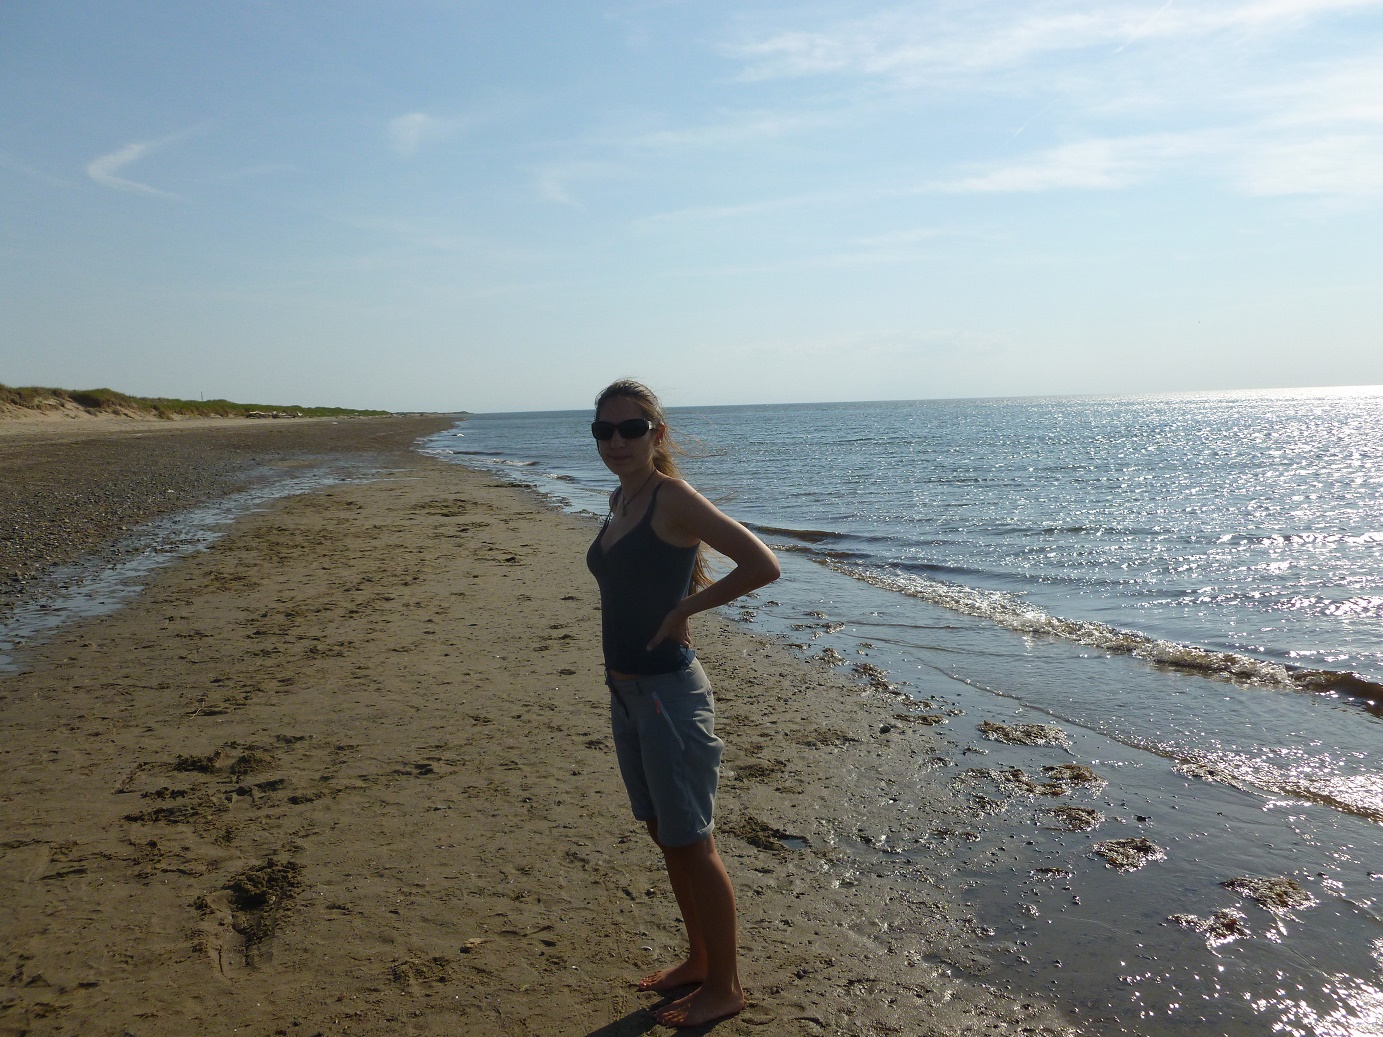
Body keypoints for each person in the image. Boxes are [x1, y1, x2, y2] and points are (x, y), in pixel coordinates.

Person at [585, 379, 780, 1028]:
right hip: (626, 692)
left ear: (656, 433)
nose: (616, 441)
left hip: (667, 695)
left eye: (630, 428)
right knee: (665, 834)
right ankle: (699, 959)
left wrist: (683, 611)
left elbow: (761, 564)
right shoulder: (621, 497)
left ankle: (725, 985)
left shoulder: (672, 496)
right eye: (604, 430)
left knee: (693, 842)